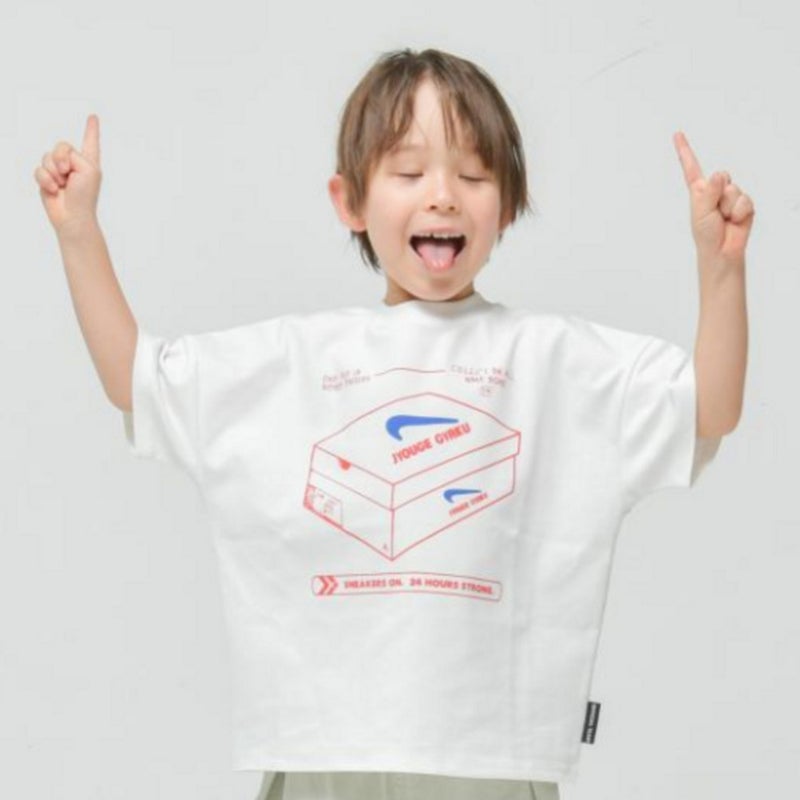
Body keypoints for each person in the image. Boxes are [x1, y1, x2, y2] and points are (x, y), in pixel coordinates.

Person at [35, 47, 753, 800]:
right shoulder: (295, 360)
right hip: (325, 755)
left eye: (473, 175)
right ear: (350, 201)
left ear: (509, 204)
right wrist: (78, 231)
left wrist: (722, 269)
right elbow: (139, 380)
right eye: (409, 172)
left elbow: (708, 407)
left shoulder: (554, 362)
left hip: (491, 763)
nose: (442, 197)